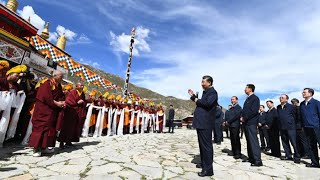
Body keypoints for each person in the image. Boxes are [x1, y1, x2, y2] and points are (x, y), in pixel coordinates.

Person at [29, 71, 65, 157]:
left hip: (52, 111)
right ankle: (36, 148)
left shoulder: (58, 86)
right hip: (43, 111)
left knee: (49, 129)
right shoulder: (47, 84)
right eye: (60, 76)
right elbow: (44, 97)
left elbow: (61, 95)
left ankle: (44, 147)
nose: (62, 78)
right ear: (55, 76)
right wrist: (56, 103)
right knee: (40, 129)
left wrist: (62, 101)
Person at [188, 75, 218, 177]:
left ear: (209, 83)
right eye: (201, 82)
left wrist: (196, 99)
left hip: (206, 123)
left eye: (203, 82)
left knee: (206, 146)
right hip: (201, 123)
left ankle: (208, 170)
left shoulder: (213, 92)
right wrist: (194, 97)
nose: (201, 84)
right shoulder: (206, 93)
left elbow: (207, 104)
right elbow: (202, 103)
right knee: (202, 145)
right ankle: (204, 164)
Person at [57, 82, 86, 149]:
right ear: (77, 86)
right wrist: (77, 102)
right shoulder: (72, 92)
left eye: (82, 85)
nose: (82, 86)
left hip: (78, 113)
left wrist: (83, 102)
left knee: (74, 128)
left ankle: (69, 141)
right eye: (81, 85)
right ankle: (61, 143)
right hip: (70, 112)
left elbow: (84, 102)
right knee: (66, 127)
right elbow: (68, 101)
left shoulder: (83, 94)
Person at [240, 84, 263, 167]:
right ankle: (251, 158)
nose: (244, 89)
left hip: (251, 123)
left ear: (250, 89)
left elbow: (253, 111)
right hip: (246, 123)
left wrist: (244, 118)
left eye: (246, 88)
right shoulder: (247, 99)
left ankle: (258, 160)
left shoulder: (255, 98)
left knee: (253, 141)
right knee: (249, 141)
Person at [277, 94, 300, 164]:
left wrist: (294, 124)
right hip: (282, 127)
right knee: (285, 142)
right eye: (280, 98)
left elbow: (296, 116)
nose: (281, 99)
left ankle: (297, 157)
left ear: (286, 99)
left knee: (294, 142)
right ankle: (288, 155)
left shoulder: (291, 107)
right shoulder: (278, 107)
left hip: (291, 127)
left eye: (282, 98)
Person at [300, 88, 320, 168]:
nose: (303, 93)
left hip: (316, 127)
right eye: (303, 92)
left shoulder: (316, 103)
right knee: (311, 146)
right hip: (306, 128)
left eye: (304, 92)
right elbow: (301, 116)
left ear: (310, 93)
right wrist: (302, 126)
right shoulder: (302, 104)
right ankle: (315, 163)